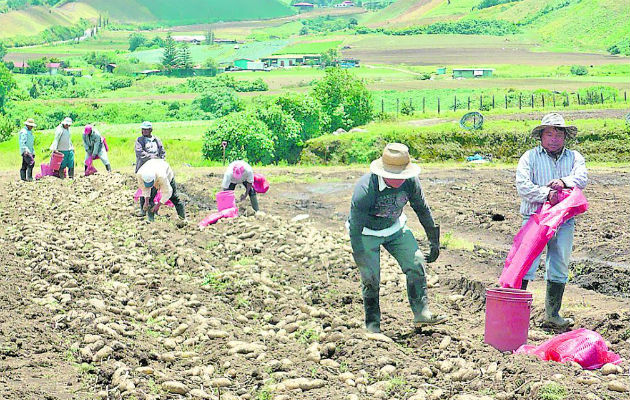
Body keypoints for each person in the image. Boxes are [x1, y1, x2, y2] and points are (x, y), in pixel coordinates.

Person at [348, 143, 444, 333]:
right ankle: (373, 325)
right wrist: (359, 255)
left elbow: (422, 209)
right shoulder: (365, 189)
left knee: (416, 262)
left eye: (401, 174)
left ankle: (421, 313)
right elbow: (355, 227)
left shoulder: (410, 182)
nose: (398, 179)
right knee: (371, 278)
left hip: (395, 227)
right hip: (366, 232)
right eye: (394, 175)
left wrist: (434, 241)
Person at [516, 112, 588, 330]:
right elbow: (523, 186)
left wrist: (563, 182)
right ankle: (517, 314)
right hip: (535, 218)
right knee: (526, 263)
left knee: (559, 264)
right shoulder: (529, 157)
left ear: (565, 137)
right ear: (541, 136)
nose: (554, 138)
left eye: (559, 134)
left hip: (563, 220)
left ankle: (552, 315)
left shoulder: (574, 158)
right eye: (550, 133)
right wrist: (546, 194)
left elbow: (582, 178)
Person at [134, 121, 166, 216]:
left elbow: (162, 151)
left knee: (155, 188)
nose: (144, 131)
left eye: (146, 130)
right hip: (144, 168)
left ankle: (152, 208)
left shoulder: (156, 140)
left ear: (150, 130)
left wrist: (161, 160)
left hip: (156, 167)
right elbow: (140, 153)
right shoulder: (140, 140)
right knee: (144, 188)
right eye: (143, 129)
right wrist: (152, 157)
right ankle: (143, 210)